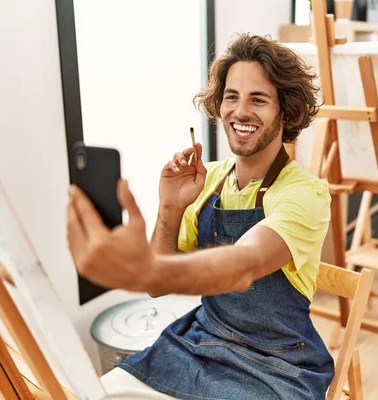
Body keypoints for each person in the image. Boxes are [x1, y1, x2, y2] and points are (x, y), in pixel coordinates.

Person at [67, 33, 334, 400]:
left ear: (285, 112)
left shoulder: (305, 193)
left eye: (258, 99)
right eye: (231, 97)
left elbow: (244, 264)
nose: (240, 112)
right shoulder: (208, 180)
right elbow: (157, 287)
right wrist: (170, 207)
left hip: (278, 368)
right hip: (201, 344)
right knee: (100, 393)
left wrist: (140, 268)